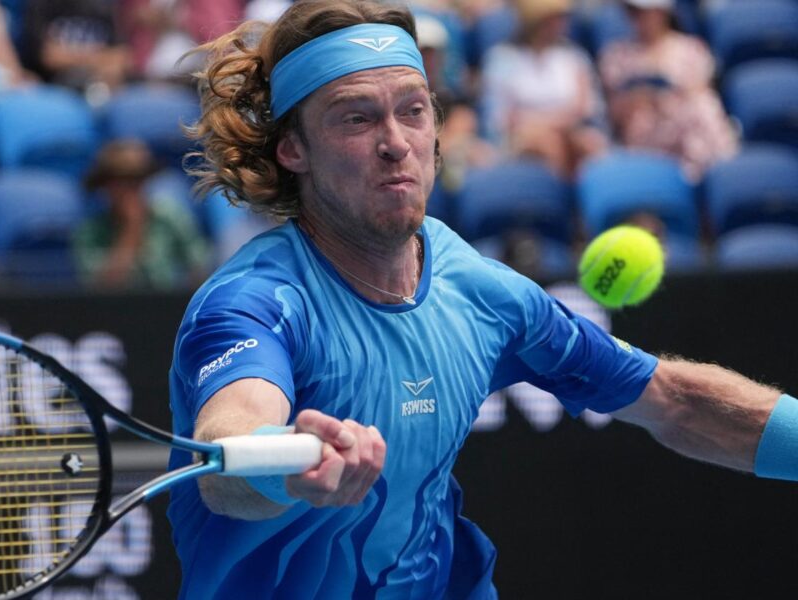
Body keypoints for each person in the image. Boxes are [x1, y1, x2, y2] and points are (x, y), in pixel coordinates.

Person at [166, 1, 796, 598]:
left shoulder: (484, 292)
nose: (396, 142)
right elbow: (226, 448)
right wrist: (284, 463)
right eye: (356, 118)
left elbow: (676, 402)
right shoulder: (251, 302)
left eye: (413, 110)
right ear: (293, 148)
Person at [598, 0, 737, 181]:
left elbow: (701, 91)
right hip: (644, 137)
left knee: (703, 106)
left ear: (662, 12)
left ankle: (721, 174)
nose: (636, 18)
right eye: (631, 11)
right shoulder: (616, 55)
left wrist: (667, 97)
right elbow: (612, 110)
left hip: (689, 132)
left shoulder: (691, 49)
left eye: (643, 12)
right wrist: (642, 96)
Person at [480, 0, 606, 178]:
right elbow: (501, 117)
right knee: (549, 144)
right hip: (520, 136)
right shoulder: (502, 59)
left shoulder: (575, 57)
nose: (561, 23)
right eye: (554, 18)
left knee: (588, 144)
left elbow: (585, 108)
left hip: (570, 130)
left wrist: (554, 123)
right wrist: (545, 125)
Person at [73, 141, 210, 290]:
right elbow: (102, 287)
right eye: (120, 180)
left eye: (136, 179)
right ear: (105, 185)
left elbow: (199, 267)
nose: (129, 187)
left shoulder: (170, 216)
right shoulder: (90, 231)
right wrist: (132, 229)